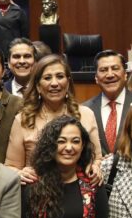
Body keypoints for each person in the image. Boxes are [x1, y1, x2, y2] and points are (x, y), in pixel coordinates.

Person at [5, 54, 101, 183]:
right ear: (38, 86)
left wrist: (96, 167)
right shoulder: (23, 119)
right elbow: (11, 167)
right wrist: (19, 173)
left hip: (80, 192)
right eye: (47, 78)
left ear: (67, 83)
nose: (54, 83)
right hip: (37, 193)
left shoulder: (86, 115)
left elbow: (98, 159)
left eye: (60, 77)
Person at [82, 49, 132, 156]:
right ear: (96, 78)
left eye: (115, 68)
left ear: (125, 74)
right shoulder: (85, 110)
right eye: (103, 70)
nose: (110, 74)